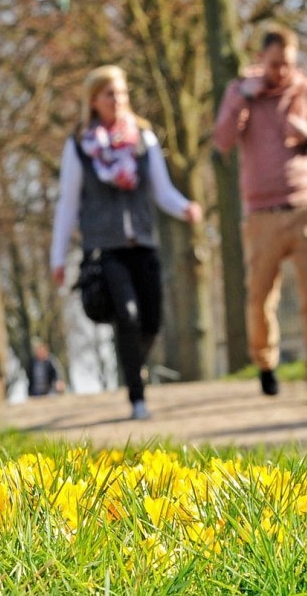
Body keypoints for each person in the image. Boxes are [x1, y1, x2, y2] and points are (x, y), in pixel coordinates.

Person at [51, 64, 202, 420]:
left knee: (151, 320)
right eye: (109, 94)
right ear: (94, 101)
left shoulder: (143, 139)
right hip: (105, 248)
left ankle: (134, 365)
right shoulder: (80, 147)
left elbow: (162, 192)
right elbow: (68, 203)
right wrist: (57, 257)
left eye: (122, 93)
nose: (117, 100)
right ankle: (137, 396)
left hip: (143, 243)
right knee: (128, 316)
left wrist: (186, 209)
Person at [213, 23, 307, 402]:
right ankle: (265, 364)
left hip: (304, 207)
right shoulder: (240, 93)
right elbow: (221, 141)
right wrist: (241, 99)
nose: (281, 72)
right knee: (260, 297)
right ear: (260, 59)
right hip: (261, 213)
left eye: (287, 64)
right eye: (274, 64)